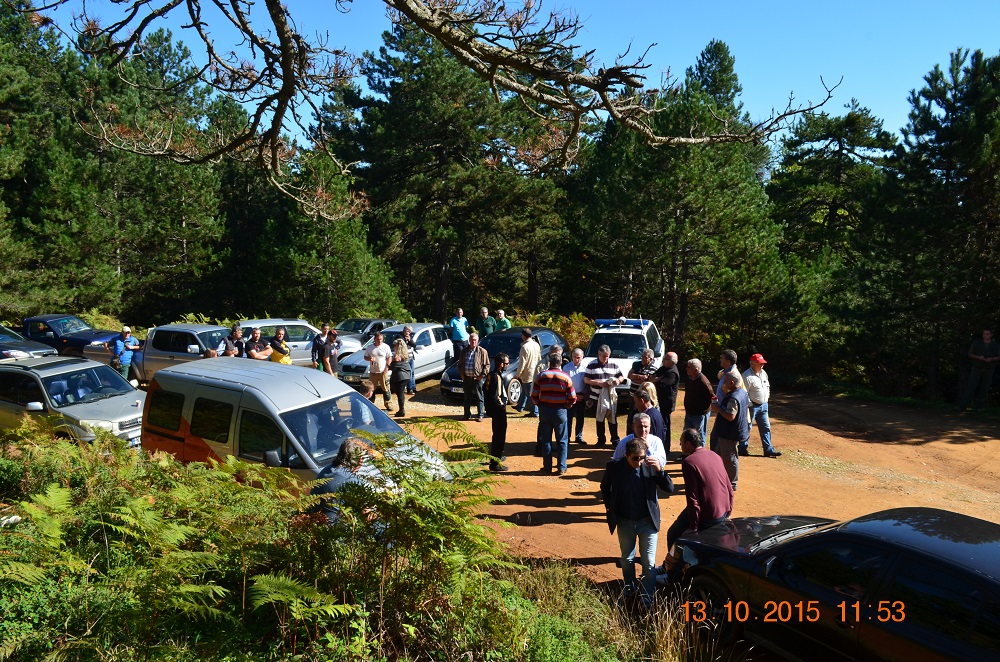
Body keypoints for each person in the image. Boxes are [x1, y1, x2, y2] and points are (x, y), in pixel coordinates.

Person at [600, 437, 674, 607]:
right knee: (627, 559)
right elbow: (605, 486)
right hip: (625, 522)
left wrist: (660, 470)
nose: (639, 462)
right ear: (626, 455)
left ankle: (646, 598)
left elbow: (669, 488)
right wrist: (610, 508)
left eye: (642, 457)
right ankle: (630, 591)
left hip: (647, 522)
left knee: (648, 563)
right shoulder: (614, 466)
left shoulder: (649, 467)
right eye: (635, 458)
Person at [660, 428, 733, 568]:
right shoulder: (714, 455)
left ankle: (671, 569)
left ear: (688, 444)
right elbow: (728, 485)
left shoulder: (689, 462)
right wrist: (729, 510)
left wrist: (694, 527)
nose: (680, 445)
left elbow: (693, 499)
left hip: (707, 514)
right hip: (722, 510)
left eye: (681, 442)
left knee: (674, 533)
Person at [531, 353, 577, 475]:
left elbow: (534, 395)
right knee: (562, 440)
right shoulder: (565, 377)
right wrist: (568, 405)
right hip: (560, 410)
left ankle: (547, 467)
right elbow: (573, 397)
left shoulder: (541, 376)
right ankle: (561, 467)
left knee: (546, 440)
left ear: (549, 362)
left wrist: (539, 405)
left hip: (545, 410)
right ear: (560, 363)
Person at [710, 371, 749, 491]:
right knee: (719, 455)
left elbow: (731, 416)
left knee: (730, 458)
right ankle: (720, 479)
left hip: (729, 433)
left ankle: (732, 483)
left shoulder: (733, 397)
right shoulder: (742, 392)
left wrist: (718, 409)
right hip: (730, 431)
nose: (724, 384)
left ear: (732, 382)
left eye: (726, 381)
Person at [741, 353, 781, 458]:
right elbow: (744, 392)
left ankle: (768, 450)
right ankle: (742, 448)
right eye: (760, 363)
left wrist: (766, 399)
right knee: (747, 427)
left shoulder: (764, 373)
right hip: (751, 406)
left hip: (763, 406)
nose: (762, 364)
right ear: (753, 363)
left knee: (766, 427)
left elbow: (767, 387)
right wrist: (750, 404)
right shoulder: (746, 376)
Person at [584, 345, 625, 447]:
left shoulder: (614, 364)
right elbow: (586, 379)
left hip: (610, 397)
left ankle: (615, 439)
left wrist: (618, 380)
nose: (605, 358)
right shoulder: (591, 365)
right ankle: (601, 440)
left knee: (612, 418)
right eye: (603, 356)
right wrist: (598, 383)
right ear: (599, 354)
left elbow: (621, 376)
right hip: (596, 397)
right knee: (600, 418)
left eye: (607, 356)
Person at [958, 328, 1000, 411]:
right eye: (984, 333)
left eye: (987, 334)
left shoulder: (996, 345)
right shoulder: (977, 343)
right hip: (976, 368)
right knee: (971, 386)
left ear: (991, 335)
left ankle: (979, 407)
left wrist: (992, 359)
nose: (985, 335)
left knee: (984, 388)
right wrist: (978, 357)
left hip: (989, 369)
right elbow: (970, 354)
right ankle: (963, 406)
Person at [484, 352, 511, 471]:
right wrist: (502, 407)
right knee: (499, 437)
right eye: (507, 363)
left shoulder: (491, 374)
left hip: (493, 410)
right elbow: (496, 397)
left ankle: (497, 456)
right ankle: (495, 463)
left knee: (496, 435)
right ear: (501, 364)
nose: (508, 365)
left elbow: (485, 389)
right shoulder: (497, 377)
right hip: (498, 411)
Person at [649, 351, 680, 451]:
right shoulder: (664, 368)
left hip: (666, 403)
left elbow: (662, 384)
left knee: (664, 426)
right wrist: (657, 379)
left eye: (666, 358)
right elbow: (652, 377)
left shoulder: (672, 372)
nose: (663, 360)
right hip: (659, 401)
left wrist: (656, 379)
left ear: (672, 362)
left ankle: (665, 449)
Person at [459, 332, 491, 421]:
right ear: (469, 340)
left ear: (478, 341)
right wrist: (462, 375)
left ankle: (480, 415)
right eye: (472, 340)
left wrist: (482, 375)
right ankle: (466, 415)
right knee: (466, 398)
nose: (473, 342)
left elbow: (487, 365)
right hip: (467, 378)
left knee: (480, 397)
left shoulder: (482, 351)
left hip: (477, 378)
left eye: (475, 340)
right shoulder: (464, 351)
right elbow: (460, 364)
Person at [683, 358, 714, 443]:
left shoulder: (703, 382)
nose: (686, 368)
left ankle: (701, 450)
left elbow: (712, 397)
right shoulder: (689, 378)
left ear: (696, 370)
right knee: (687, 434)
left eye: (689, 367)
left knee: (699, 437)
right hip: (689, 412)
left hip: (699, 415)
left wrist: (703, 410)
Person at [563, 348, 589, 444]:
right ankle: (567, 437)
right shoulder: (566, 368)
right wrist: (572, 396)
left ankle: (579, 436)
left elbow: (587, 384)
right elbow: (564, 383)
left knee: (580, 417)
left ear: (582, 357)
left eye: (578, 357)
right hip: (570, 396)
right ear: (571, 357)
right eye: (574, 357)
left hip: (582, 396)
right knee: (568, 417)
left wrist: (584, 395)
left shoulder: (586, 368)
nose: (576, 359)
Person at [514, 328, 541, 417]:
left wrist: (517, 374)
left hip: (528, 372)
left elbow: (522, 363)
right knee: (525, 390)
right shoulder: (536, 344)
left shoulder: (525, 347)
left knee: (529, 393)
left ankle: (535, 411)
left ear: (523, 336)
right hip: (535, 371)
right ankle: (520, 406)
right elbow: (539, 358)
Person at [364, 330, 393, 410]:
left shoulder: (386, 347)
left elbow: (389, 357)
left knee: (386, 388)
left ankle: (388, 404)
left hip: (383, 371)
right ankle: (370, 403)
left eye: (381, 339)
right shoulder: (370, 347)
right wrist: (369, 358)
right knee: (371, 388)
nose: (379, 341)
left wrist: (387, 367)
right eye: (378, 339)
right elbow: (365, 357)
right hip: (373, 372)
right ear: (374, 339)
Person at [389, 338, 411, 417]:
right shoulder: (405, 355)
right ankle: (401, 409)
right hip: (406, 376)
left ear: (397, 347)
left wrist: (388, 364)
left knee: (400, 394)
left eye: (394, 345)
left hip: (400, 377)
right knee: (400, 393)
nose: (393, 347)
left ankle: (401, 410)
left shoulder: (397, 356)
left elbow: (393, 367)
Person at [401, 325, 418, 394]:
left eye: (410, 331)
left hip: (411, 357)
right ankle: (409, 388)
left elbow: (414, 345)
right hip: (405, 358)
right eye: (407, 331)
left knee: (412, 373)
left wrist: (409, 340)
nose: (408, 332)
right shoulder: (400, 337)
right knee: (409, 373)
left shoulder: (409, 337)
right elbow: (402, 346)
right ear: (404, 330)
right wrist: (405, 339)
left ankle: (413, 387)